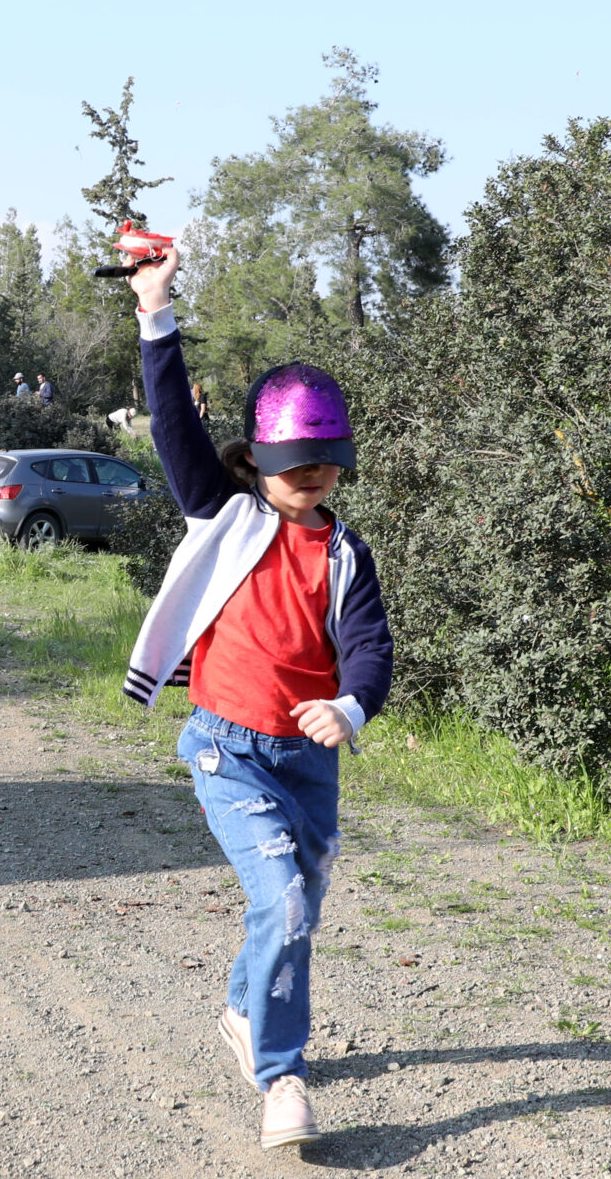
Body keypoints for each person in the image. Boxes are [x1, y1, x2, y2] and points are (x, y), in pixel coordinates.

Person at [118, 242, 392, 1150]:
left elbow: (368, 646)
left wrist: (350, 707)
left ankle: (243, 1010)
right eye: (291, 462)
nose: (308, 476)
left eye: (323, 462)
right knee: (283, 901)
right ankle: (282, 1076)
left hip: (310, 765)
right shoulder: (225, 515)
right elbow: (173, 430)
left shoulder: (347, 554)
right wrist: (156, 314)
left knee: (296, 898)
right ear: (258, 459)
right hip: (227, 749)